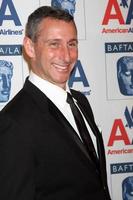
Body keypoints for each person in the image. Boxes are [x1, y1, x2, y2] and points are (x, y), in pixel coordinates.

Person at [0, 6, 111, 200]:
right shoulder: (14, 122)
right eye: (54, 44)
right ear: (30, 47)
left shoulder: (80, 101)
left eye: (72, 44)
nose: (67, 56)